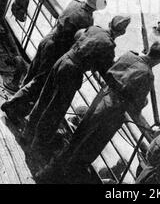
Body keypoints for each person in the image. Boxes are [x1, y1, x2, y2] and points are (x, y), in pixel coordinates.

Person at [37, 42, 160, 183]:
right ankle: (58, 178)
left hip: (102, 97)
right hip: (112, 113)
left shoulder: (129, 55)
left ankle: (45, 174)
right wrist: (145, 102)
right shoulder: (148, 76)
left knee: (76, 139)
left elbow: (111, 71)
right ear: (158, 60)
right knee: (89, 150)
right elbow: (136, 106)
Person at [23, 16, 131, 156]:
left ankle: (27, 132)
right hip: (72, 72)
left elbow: (77, 35)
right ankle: (38, 146)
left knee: (44, 98)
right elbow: (108, 71)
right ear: (122, 33)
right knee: (55, 109)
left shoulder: (94, 28)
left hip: (63, 60)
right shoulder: (109, 46)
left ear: (109, 23)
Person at [1, 0, 107, 124]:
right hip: (56, 49)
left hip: (48, 39)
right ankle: (12, 106)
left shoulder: (74, 3)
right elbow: (79, 39)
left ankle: (17, 97)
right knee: (40, 81)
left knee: (33, 71)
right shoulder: (87, 19)